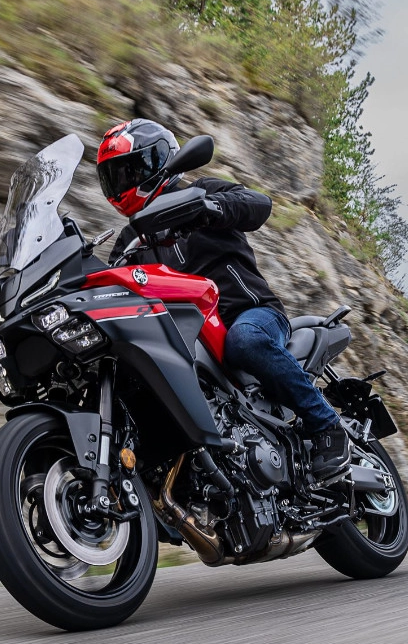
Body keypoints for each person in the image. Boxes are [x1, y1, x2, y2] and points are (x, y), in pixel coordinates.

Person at [96, 118, 350, 479]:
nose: (122, 182)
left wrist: (210, 208)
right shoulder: (130, 240)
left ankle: (327, 426)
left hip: (250, 313)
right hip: (185, 336)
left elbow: (259, 204)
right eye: (113, 177)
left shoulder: (201, 191)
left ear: (156, 162)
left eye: (127, 171)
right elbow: (113, 285)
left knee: (244, 340)